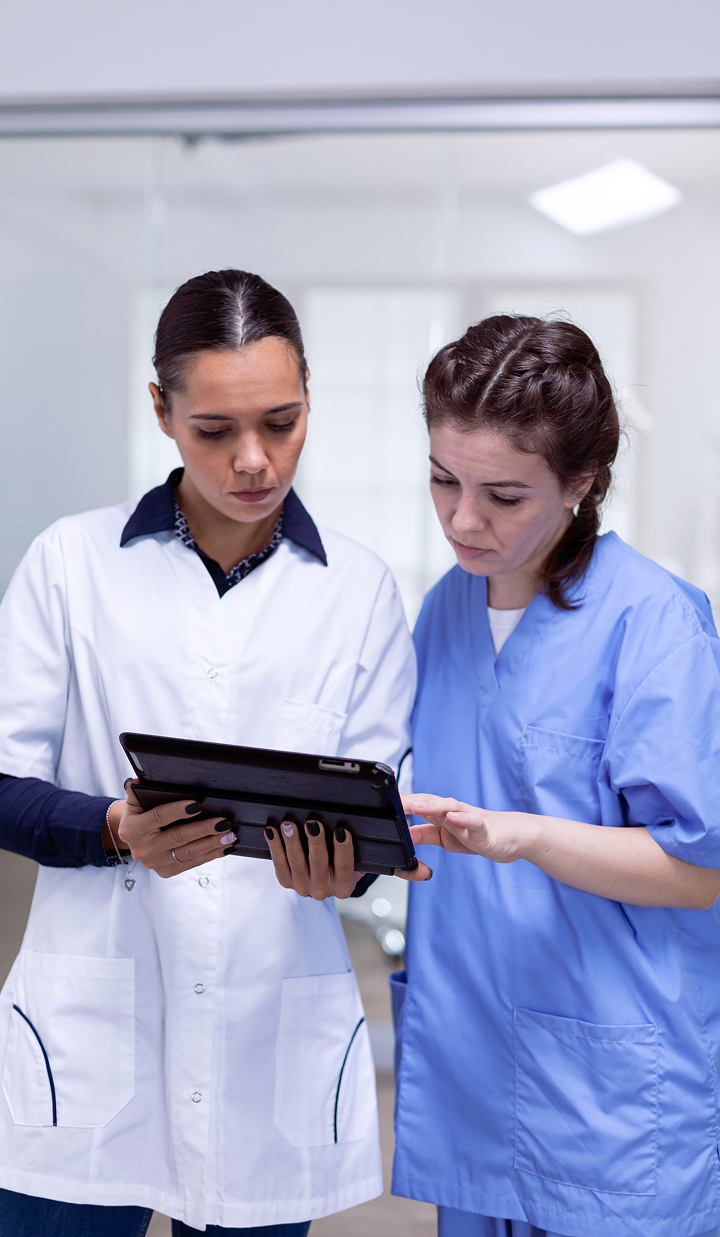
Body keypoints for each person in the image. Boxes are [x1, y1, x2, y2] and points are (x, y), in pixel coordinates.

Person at [0, 269, 425, 1236]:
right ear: (161, 409)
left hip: (264, 1037)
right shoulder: (70, 564)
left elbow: (377, 806)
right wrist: (112, 828)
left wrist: (345, 870)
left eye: (281, 421)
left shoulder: (359, 590)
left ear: (311, 391)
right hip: (88, 1032)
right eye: (215, 430)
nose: (253, 460)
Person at [390, 315, 720, 1237]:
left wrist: (520, 835)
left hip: (610, 1091)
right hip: (475, 1063)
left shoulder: (653, 622)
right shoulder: (443, 613)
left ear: (581, 483)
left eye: (503, 494)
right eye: (442, 479)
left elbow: (698, 870)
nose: (463, 518)